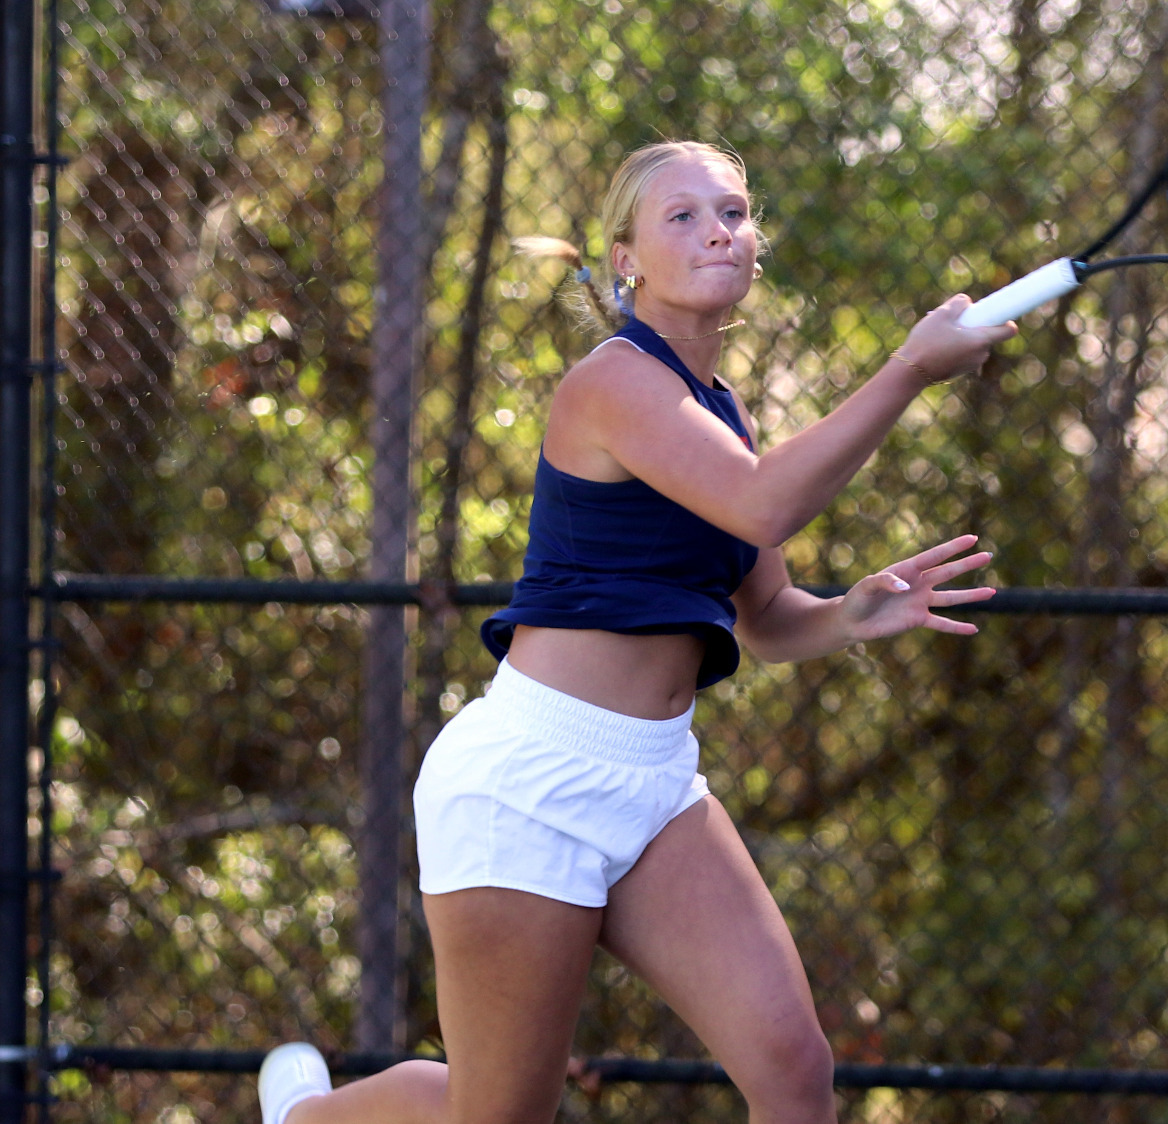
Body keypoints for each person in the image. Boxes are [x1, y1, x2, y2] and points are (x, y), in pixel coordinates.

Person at [257, 140, 1016, 1124]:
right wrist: (908, 367)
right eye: (684, 215)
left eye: (735, 212)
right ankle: (305, 1118)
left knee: (794, 1069)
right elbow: (760, 503)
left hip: (656, 783)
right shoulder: (611, 384)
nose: (719, 230)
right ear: (626, 259)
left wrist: (853, 614)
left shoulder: (720, 410)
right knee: (496, 1117)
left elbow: (769, 616)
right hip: (527, 782)